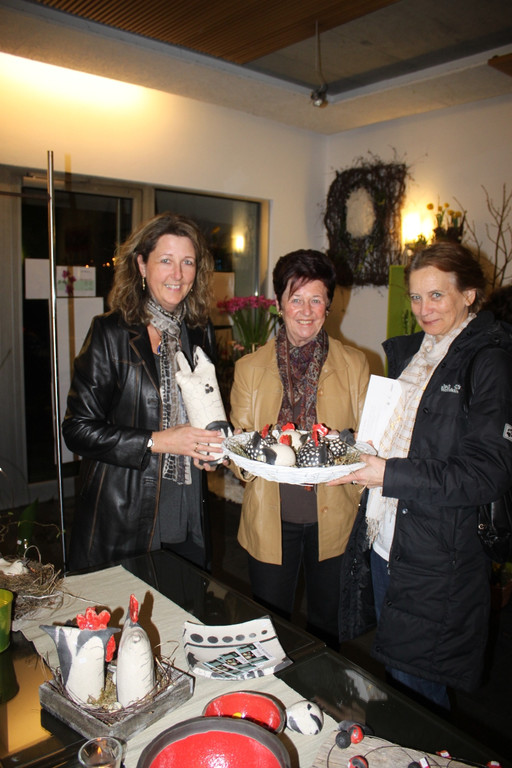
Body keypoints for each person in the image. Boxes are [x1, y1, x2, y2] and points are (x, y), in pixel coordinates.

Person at [335, 241, 512, 708]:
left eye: (436, 295)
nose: (423, 308)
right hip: (386, 538)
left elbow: (487, 474)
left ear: (469, 295)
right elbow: (403, 437)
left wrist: (387, 474)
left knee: (419, 690)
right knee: (397, 677)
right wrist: (348, 447)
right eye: (415, 297)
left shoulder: (490, 361)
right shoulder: (415, 353)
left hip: (439, 555)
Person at [63, 212, 225, 572]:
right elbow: (77, 430)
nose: (177, 274)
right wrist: (158, 441)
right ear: (141, 264)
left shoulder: (198, 331)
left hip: (187, 505)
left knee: (184, 600)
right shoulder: (110, 332)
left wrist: (213, 446)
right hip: (126, 511)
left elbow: (206, 406)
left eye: (187, 262)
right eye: (165, 260)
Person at [229, 249, 370, 645]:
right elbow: (238, 450)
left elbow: (368, 441)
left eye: (316, 299)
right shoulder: (249, 368)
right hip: (270, 516)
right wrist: (243, 456)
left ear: (329, 305)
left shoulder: (355, 364)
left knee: (328, 628)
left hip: (335, 515)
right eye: (296, 299)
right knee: (269, 628)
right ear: (279, 304)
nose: (306, 311)